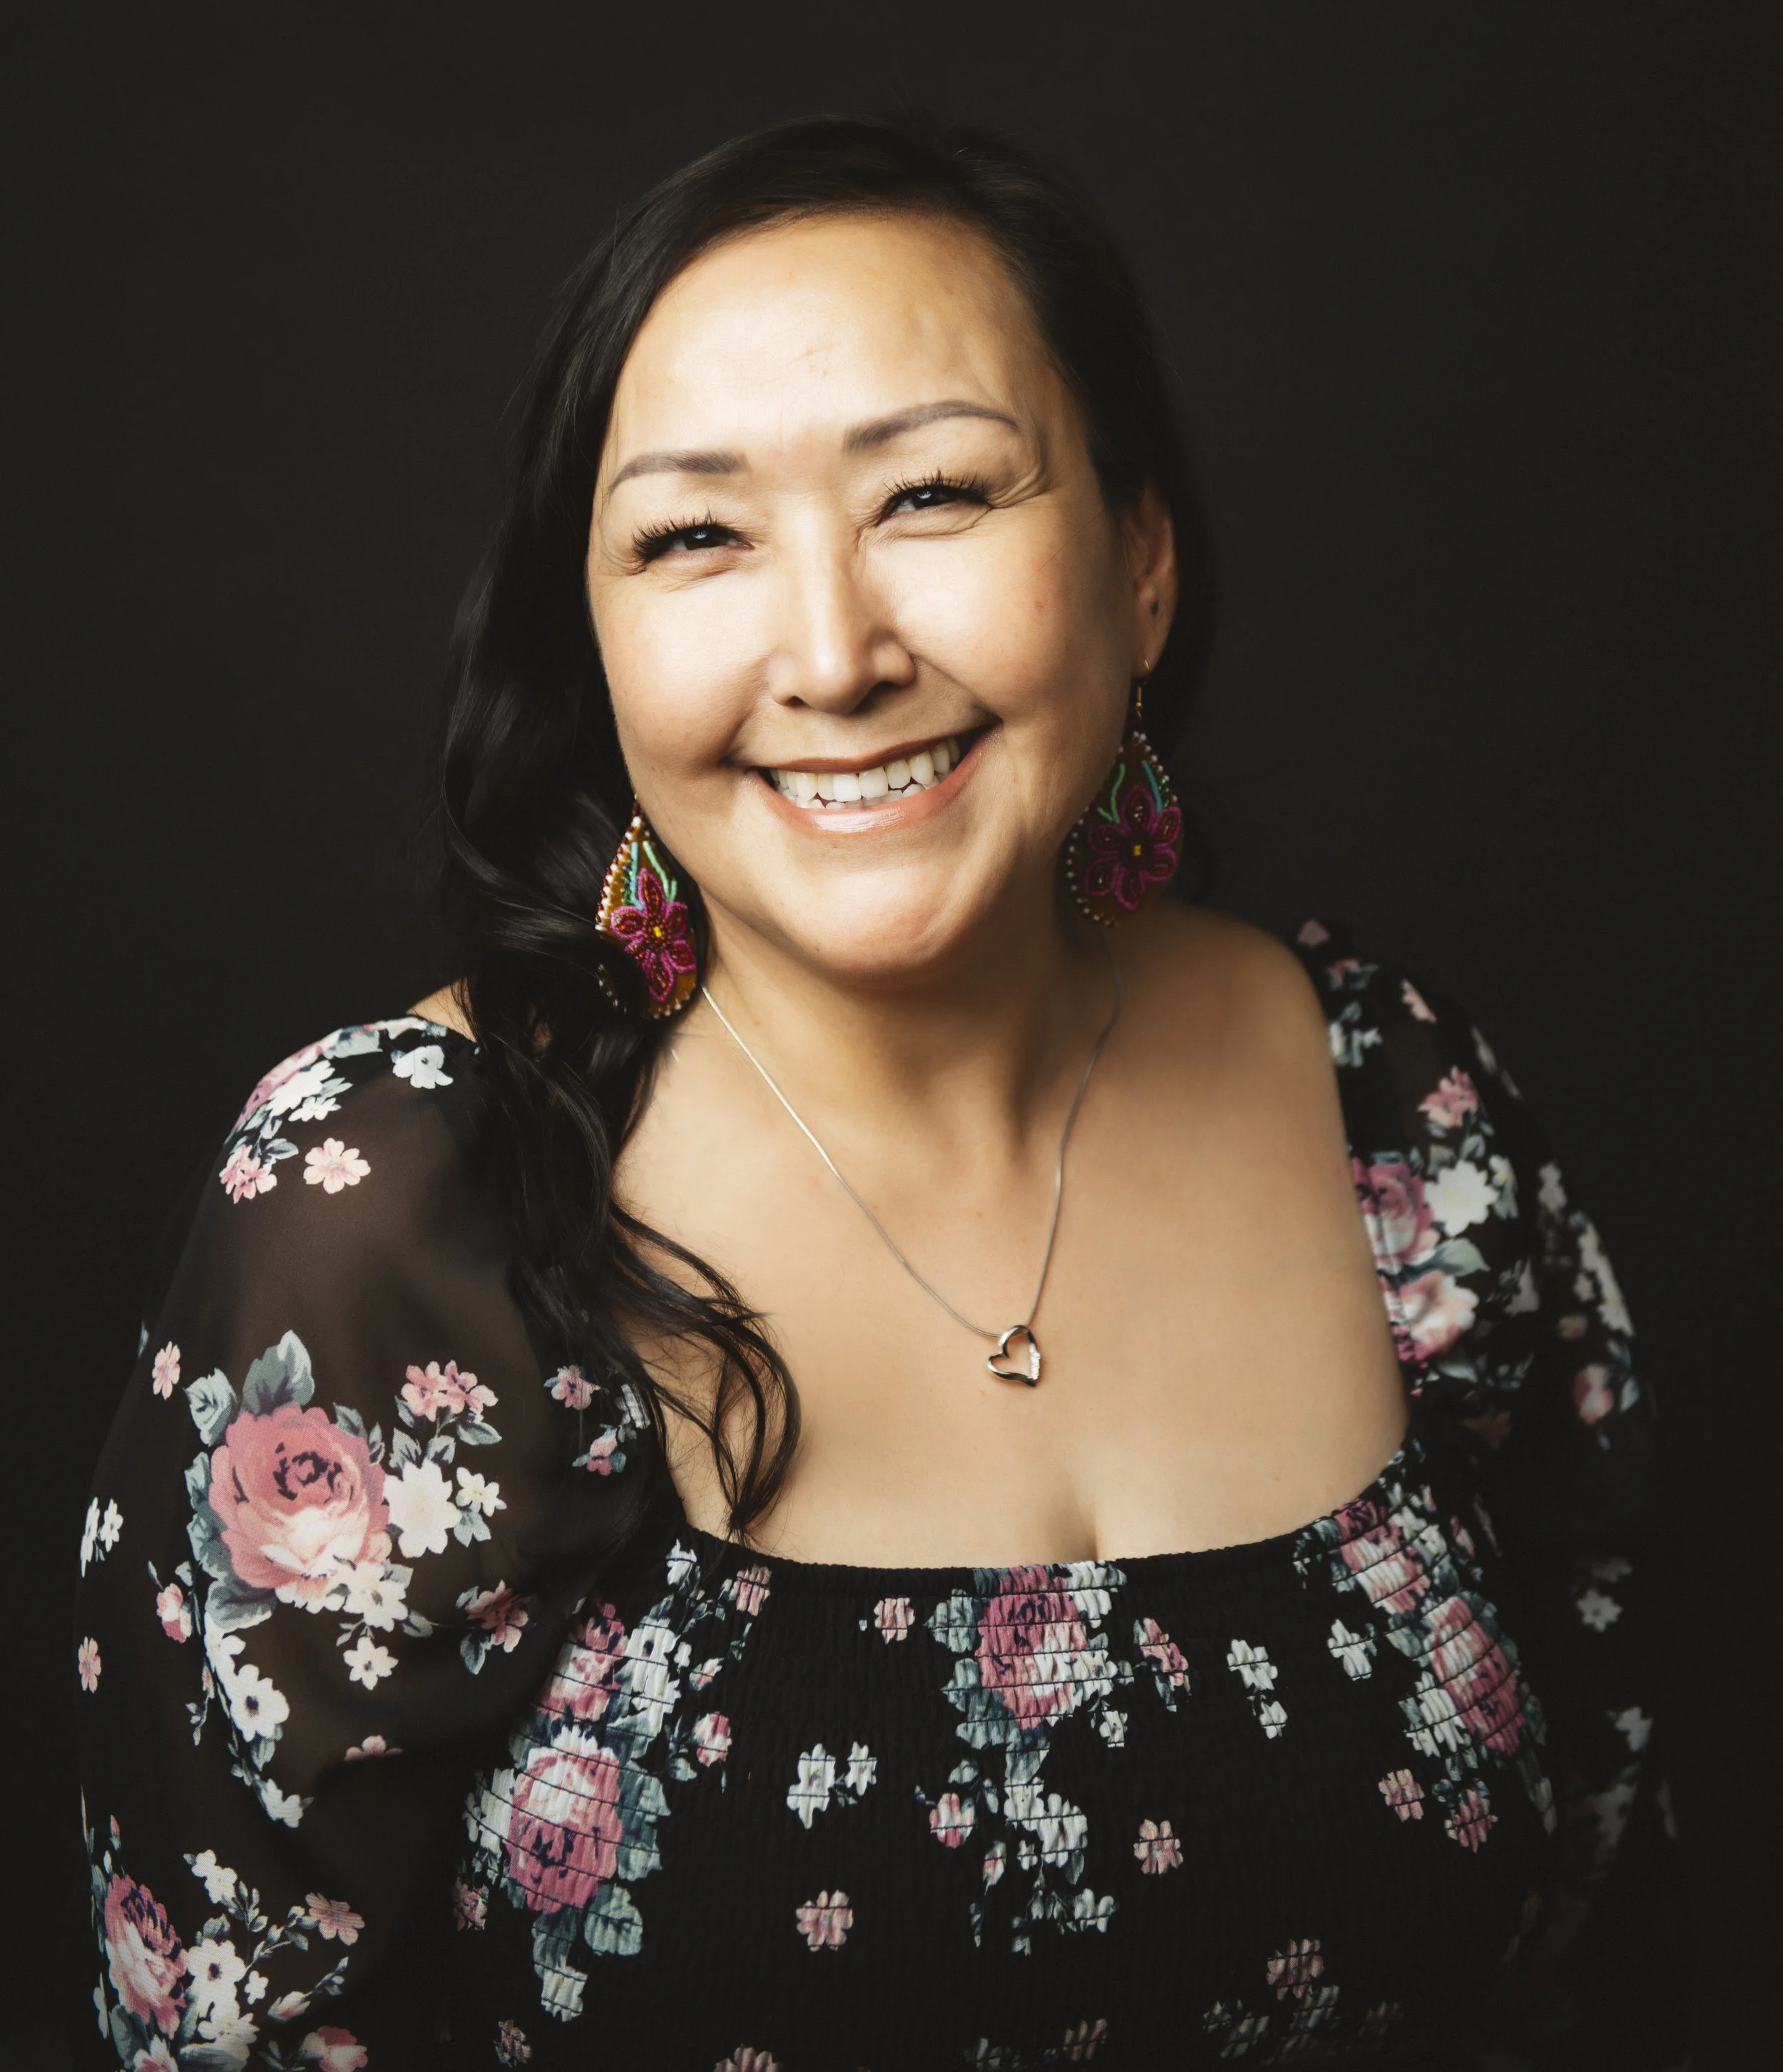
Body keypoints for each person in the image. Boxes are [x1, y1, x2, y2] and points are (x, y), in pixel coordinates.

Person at [75, 117, 1662, 2070]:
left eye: (931, 493)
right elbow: (239, 2024)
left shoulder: (1385, 1094)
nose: (830, 654)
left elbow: (1600, 1882)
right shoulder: (406, 1192)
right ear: (597, 639)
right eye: (694, 535)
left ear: (1139, 568)